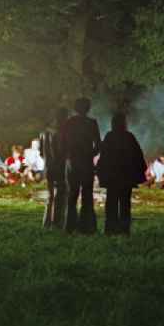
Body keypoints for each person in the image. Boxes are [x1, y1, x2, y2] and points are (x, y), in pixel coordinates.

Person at [96, 112, 147, 235]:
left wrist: (101, 171)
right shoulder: (129, 137)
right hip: (126, 176)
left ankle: (110, 229)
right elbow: (138, 156)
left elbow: (104, 156)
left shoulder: (109, 136)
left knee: (111, 203)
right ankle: (124, 230)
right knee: (125, 204)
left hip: (113, 176)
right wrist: (138, 172)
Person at [63, 97, 101, 234]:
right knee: (87, 194)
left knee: (72, 194)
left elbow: (63, 143)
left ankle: (70, 226)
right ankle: (87, 226)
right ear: (88, 108)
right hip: (86, 163)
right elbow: (98, 145)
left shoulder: (69, 123)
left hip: (72, 162)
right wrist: (90, 155)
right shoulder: (92, 123)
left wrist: (69, 155)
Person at [40, 107, 69, 229]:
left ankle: (46, 222)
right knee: (61, 195)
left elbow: (41, 152)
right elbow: (61, 152)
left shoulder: (44, 133)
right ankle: (58, 222)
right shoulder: (61, 133)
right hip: (60, 168)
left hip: (48, 168)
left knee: (50, 195)